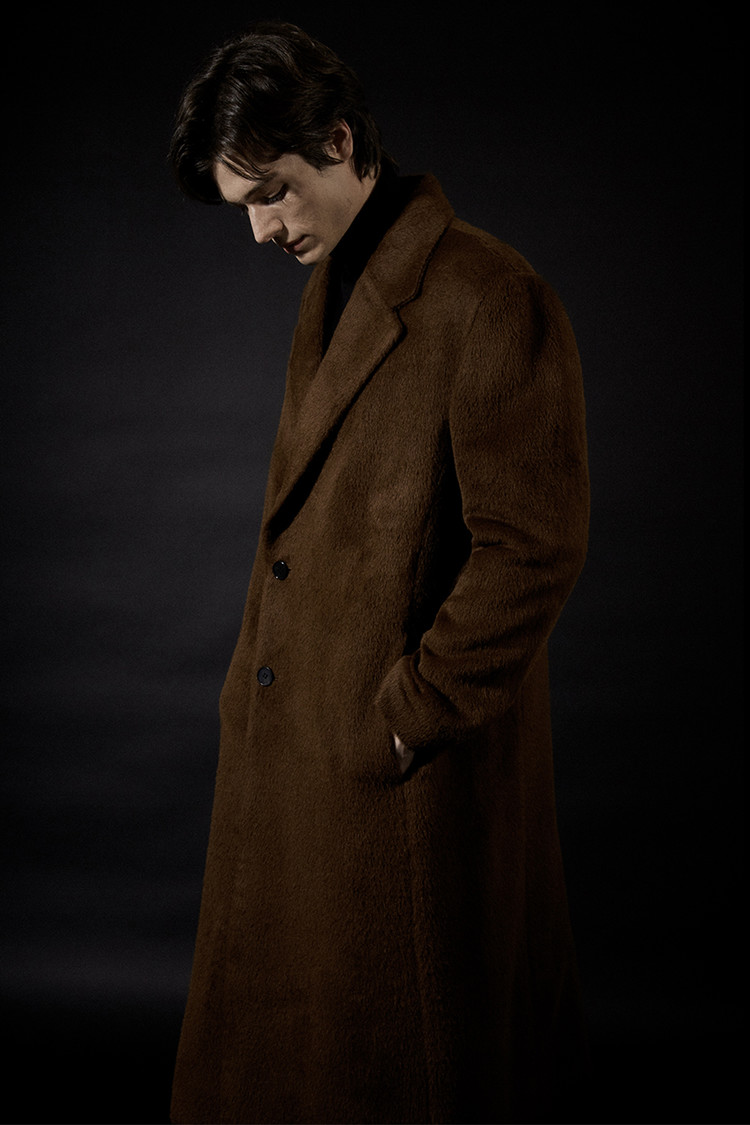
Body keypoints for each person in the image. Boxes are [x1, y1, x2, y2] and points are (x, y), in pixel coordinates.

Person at [168, 20, 590, 1125]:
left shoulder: (490, 294)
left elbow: (532, 544)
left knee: (400, 1070)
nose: (261, 228)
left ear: (342, 140)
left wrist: (407, 718)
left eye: (272, 191)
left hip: (393, 787)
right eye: (244, 205)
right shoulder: (340, 281)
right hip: (293, 761)